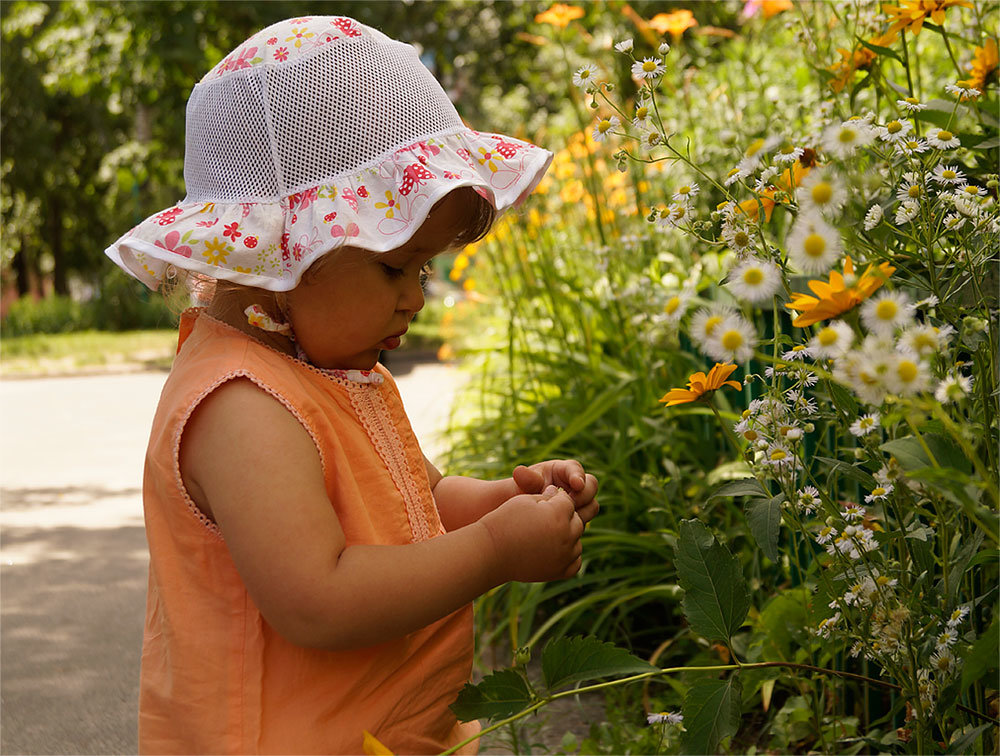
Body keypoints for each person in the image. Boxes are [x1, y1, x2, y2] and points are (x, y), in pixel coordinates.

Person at [105, 16, 599, 755]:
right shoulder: (241, 404)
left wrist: (504, 502)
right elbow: (320, 599)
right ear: (278, 255)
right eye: (394, 267)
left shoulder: (341, 372)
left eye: (425, 269)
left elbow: (419, 507)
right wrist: (495, 552)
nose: (418, 298)